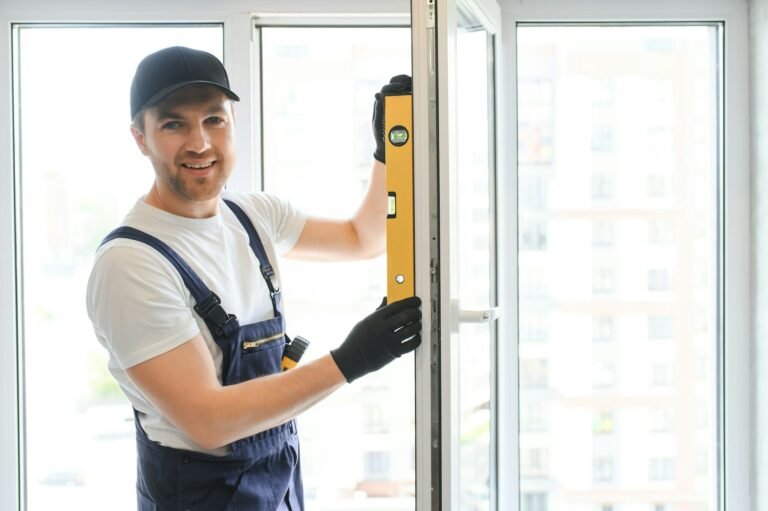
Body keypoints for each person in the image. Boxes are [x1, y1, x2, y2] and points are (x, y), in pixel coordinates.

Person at [86, 46, 420, 511]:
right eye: (173, 123)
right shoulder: (131, 264)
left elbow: (362, 237)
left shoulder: (252, 215)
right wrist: (353, 358)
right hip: (200, 497)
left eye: (214, 119)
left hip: (277, 474)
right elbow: (209, 420)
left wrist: (391, 151)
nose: (199, 143)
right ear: (140, 137)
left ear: (233, 123)